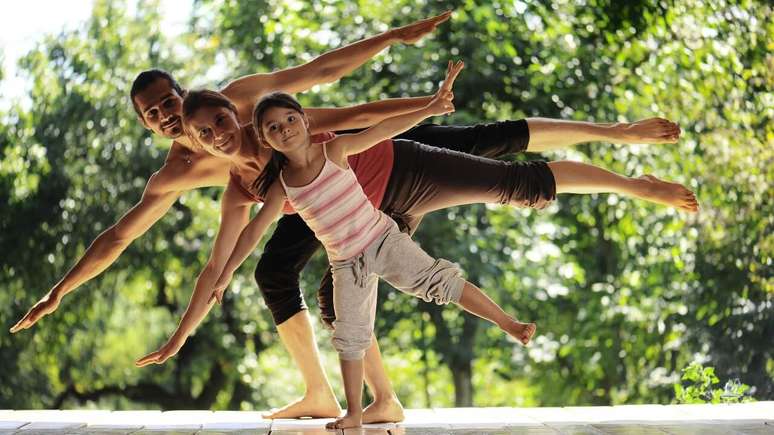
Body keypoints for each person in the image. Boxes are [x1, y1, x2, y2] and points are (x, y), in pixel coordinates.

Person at [11, 11, 694, 423]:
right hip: (350, 208)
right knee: (295, 277)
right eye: (155, 115)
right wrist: (64, 290)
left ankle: (619, 138)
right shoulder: (195, 174)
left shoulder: (247, 103)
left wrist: (395, 45)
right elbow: (136, 239)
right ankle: (351, 398)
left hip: (380, 160)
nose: (174, 118)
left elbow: (323, 71)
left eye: (175, 102)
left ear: (200, 98)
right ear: (153, 126)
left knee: (494, 149)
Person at [209, 61, 537, 430]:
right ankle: (353, 412)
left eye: (289, 119)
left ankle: (510, 324)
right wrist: (224, 275)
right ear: (265, 138)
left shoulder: (334, 150)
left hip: (382, 239)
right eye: (273, 127)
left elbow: (382, 130)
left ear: (304, 119)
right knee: (350, 337)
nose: (284, 129)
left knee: (440, 283)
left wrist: (429, 107)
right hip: (346, 264)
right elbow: (253, 232)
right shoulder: (281, 185)